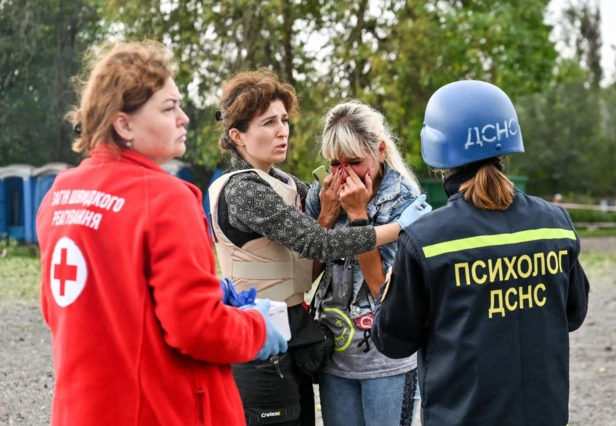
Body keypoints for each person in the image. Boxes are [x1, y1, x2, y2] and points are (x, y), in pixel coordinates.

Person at [36, 41, 287, 426]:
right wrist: (256, 327)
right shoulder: (165, 198)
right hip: (157, 409)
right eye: (169, 108)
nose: (184, 118)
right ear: (124, 123)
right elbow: (199, 329)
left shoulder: (60, 194)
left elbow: (79, 308)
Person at [207, 69, 430, 426]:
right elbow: (317, 247)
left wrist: (345, 215)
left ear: (380, 151)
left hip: (334, 348)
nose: (282, 130)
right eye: (268, 123)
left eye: (283, 120)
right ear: (238, 136)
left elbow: (371, 286)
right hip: (272, 345)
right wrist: (387, 225)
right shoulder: (248, 189)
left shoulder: (288, 183)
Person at [372, 80, 590, 426]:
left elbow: (393, 341)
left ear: (437, 150)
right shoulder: (555, 222)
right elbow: (574, 314)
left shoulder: (426, 238)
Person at [305, 100, 424, 426]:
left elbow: (382, 289)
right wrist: (325, 218)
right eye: (334, 163)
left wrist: (358, 217)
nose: (343, 174)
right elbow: (304, 278)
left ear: (381, 151)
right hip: (336, 358)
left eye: (355, 162)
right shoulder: (323, 193)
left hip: (387, 360)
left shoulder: (405, 201)